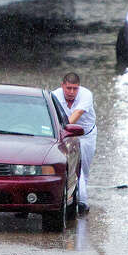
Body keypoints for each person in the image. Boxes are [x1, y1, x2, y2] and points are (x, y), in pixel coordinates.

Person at [51, 72, 97, 214]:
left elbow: (76, 115)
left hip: (85, 135)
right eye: (69, 88)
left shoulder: (86, 95)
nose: (71, 92)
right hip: (65, 135)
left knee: (83, 168)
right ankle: (80, 200)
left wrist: (60, 130)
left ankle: (80, 199)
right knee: (69, 167)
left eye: (75, 89)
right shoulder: (54, 95)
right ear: (62, 86)